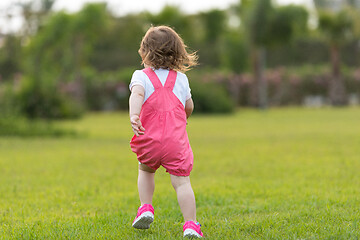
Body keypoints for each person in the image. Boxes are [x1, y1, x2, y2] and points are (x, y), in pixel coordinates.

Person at [129, 25, 203, 238]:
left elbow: (137, 94)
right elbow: (189, 106)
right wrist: (184, 117)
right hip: (174, 141)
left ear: (145, 52)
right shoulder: (181, 79)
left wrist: (134, 115)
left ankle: (146, 207)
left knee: (145, 170)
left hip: (148, 138)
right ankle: (190, 224)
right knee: (182, 182)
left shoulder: (140, 76)